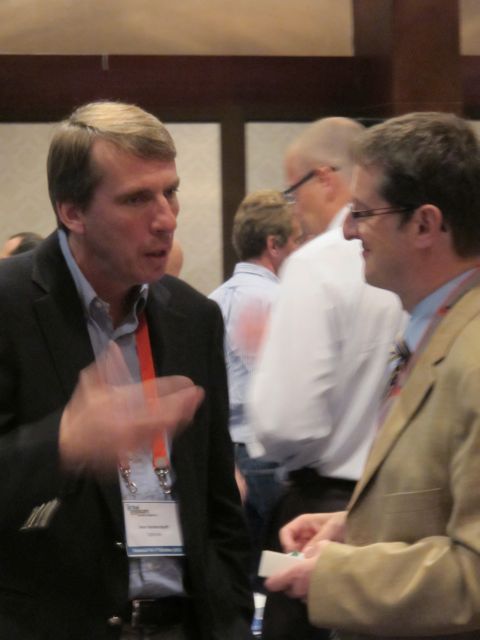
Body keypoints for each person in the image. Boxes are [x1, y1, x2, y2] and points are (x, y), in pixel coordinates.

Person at [0, 101, 253, 640]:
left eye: (170, 191)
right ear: (73, 212)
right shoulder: (9, 306)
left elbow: (219, 504)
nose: (167, 219)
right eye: (137, 199)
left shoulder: (194, 317)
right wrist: (63, 443)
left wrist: (228, 617)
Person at [266, 112, 480, 640]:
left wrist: (337, 575)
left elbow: (473, 576)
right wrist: (356, 525)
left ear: (425, 225)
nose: (346, 230)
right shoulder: (440, 326)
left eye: (362, 213)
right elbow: (437, 497)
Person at [248, 117, 405, 640]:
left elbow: (287, 422)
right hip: (405, 512)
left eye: (292, 193)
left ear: (324, 177)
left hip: (323, 508)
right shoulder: (426, 261)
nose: (294, 210)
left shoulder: (316, 263)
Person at [209, 189, 302, 573]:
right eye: (295, 241)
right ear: (273, 245)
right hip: (266, 456)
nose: (299, 250)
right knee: (278, 572)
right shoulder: (285, 302)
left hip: (222, 457)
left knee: (237, 573)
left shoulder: (210, 302)